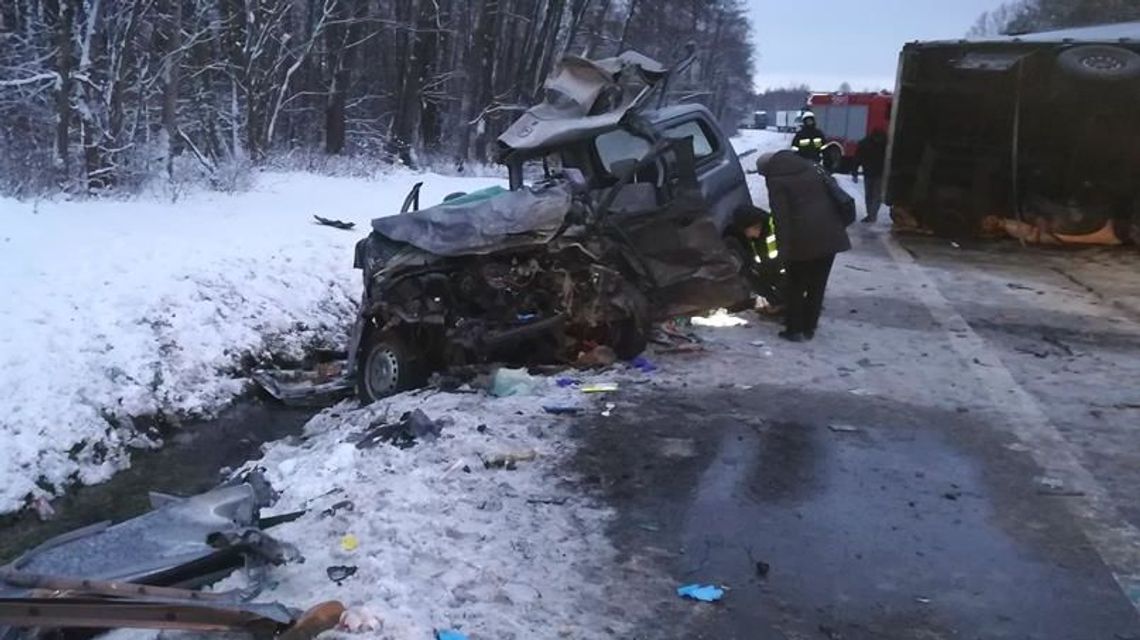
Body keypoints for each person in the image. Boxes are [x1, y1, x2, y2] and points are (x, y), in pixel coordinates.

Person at [757, 150, 852, 342]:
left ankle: (794, 330)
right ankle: (810, 327)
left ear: (768, 170)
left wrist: (782, 253)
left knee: (796, 286)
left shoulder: (777, 180)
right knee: (818, 284)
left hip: (803, 240)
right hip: (830, 235)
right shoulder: (811, 167)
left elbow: (781, 219)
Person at [855, 126, 888, 222]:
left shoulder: (865, 143)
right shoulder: (885, 144)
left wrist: (855, 170)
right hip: (876, 172)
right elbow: (858, 157)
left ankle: (871, 215)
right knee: (874, 195)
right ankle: (872, 214)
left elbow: (858, 157)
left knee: (871, 195)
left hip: (871, 172)